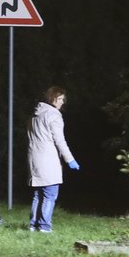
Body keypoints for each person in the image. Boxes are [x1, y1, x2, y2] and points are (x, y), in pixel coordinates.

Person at [27, 86, 80, 233]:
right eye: (61, 99)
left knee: (38, 194)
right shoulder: (54, 115)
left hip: (34, 158)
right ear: (53, 98)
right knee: (50, 194)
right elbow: (59, 141)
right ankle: (44, 227)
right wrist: (70, 159)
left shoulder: (34, 115)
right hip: (48, 160)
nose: (63, 102)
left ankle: (33, 225)